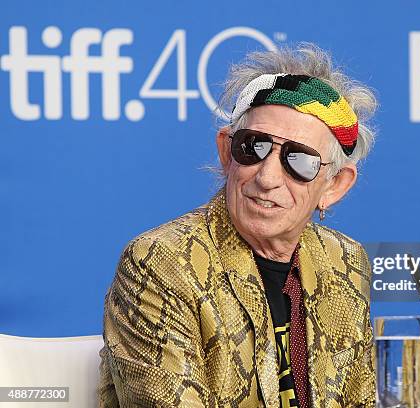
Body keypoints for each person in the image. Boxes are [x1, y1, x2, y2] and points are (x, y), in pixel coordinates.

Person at [97, 43, 378, 408]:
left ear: (335, 186)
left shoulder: (346, 263)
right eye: (254, 147)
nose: (267, 177)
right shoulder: (161, 263)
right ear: (227, 153)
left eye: (300, 162)